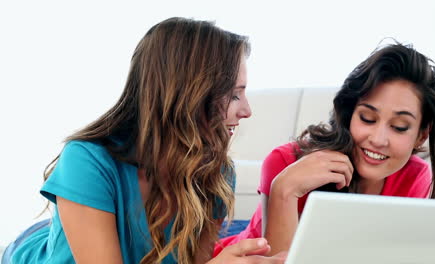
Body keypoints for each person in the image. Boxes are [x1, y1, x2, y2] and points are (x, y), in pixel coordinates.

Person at [2, 17, 286, 264]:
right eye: (234, 94)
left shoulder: (217, 171)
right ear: (188, 94)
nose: (247, 111)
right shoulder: (86, 160)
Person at [214, 42, 435, 256]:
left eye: (400, 127)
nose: (379, 139)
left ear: (421, 135)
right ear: (348, 116)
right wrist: (284, 190)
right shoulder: (286, 161)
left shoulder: (415, 175)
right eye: (367, 118)